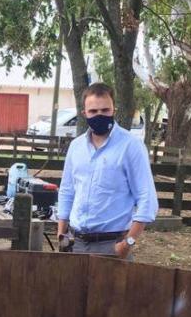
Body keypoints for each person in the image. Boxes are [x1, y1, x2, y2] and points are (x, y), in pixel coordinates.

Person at [56, 82, 158, 257]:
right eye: (93, 111)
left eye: (105, 110)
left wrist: (129, 242)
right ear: (84, 114)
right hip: (76, 244)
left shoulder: (131, 147)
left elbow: (147, 198)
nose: (99, 115)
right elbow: (67, 190)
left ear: (114, 110)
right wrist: (61, 232)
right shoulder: (76, 147)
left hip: (113, 246)